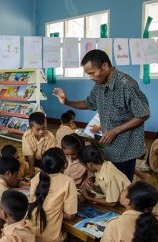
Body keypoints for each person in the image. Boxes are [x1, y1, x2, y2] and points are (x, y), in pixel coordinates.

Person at [53, 49, 150, 182]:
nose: (91, 77)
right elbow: (89, 103)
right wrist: (67, 102)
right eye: (88, 74)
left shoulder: (126, 84)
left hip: (126, 146)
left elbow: (143, 114)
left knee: (122, 183)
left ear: (105, 66)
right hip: (109, 144)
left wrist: (115, 131)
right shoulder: (99, 84)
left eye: (92, 73)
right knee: (110, 180)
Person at [27, 148, 79, 242]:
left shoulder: (37, 177)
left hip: (31, 241)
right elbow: (70, 216)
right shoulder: (67, 181)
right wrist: (57, 213)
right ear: (64, 164)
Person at [22, 112, 56, 178]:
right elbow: (30, 155)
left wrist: (44, 171)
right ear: (30, 128)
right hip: (31, 160)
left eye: (44, 128)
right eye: (38, 130)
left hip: (45, 160)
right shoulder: (26, 136)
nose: (41, 132)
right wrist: (31, 168)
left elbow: (48, 156)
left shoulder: (50, 137)